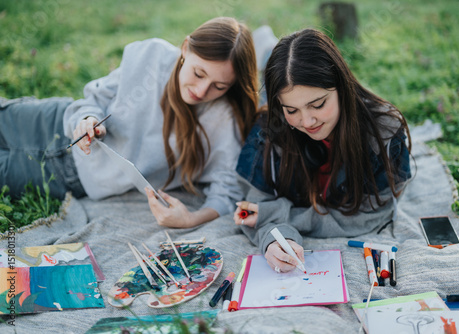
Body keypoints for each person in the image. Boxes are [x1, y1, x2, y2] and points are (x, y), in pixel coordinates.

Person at [0, 17, 259, 228]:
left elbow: (228, 192)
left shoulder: (223, 119)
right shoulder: (152, 55)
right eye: (199, 73)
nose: (202, 91)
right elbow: (96, 98)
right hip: (54, 120)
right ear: (185, 48)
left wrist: (191, 218)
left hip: (69, 177)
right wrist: (88, 119)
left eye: (219, 86)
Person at [232, 28, 412, 273]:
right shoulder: (268, 128)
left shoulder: (385, 133)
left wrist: (277, 214)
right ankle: (265, 48)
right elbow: (251, 209)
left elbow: (371, 216)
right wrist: (276, 238)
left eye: (317, 105)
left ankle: (266, 46)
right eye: (292, 110)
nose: (307, 122)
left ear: (341, 87)